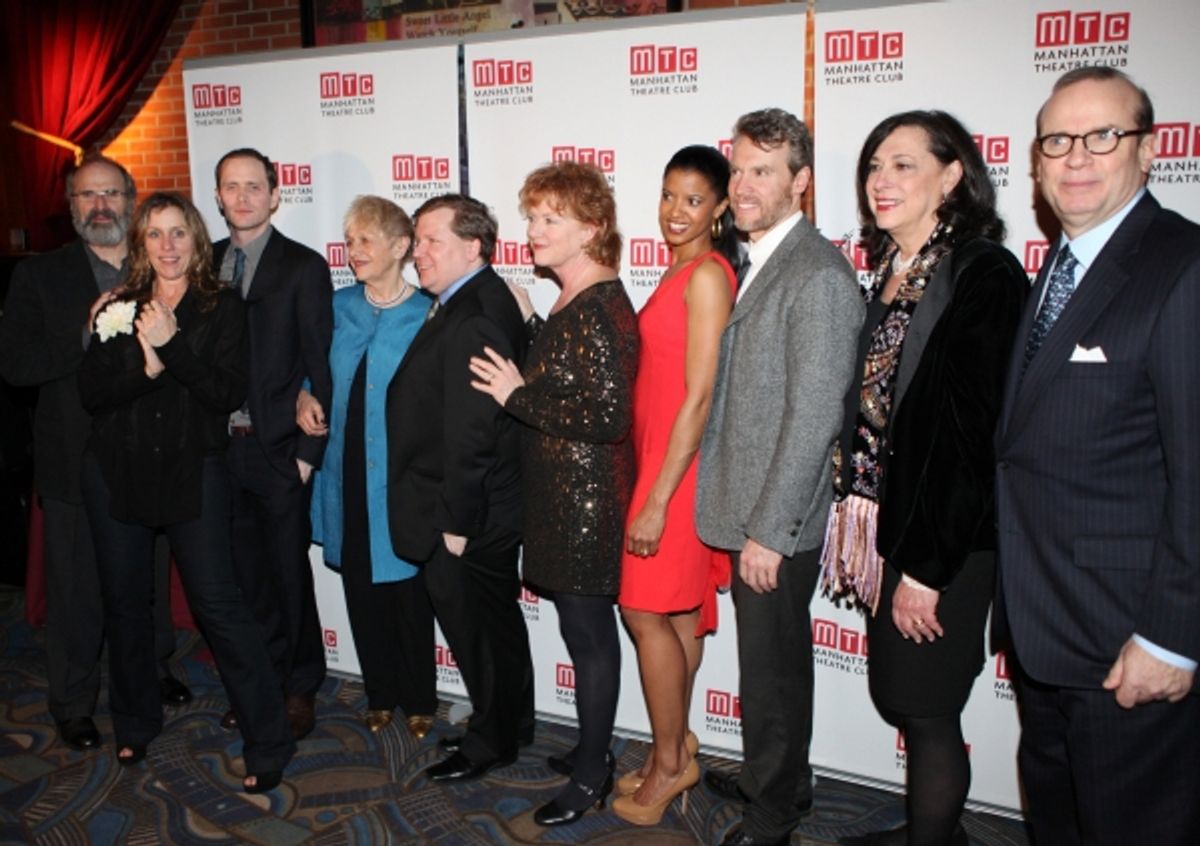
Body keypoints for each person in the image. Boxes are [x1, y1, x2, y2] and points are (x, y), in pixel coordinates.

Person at [996, 66, 1200, 846]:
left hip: (1129, 643)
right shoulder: (1057, 264)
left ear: (1147, 152)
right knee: (1061, 823)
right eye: (1057, 141)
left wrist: (1172, 638)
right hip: (1046, 627)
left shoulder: (1180, 267)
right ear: (1037, 163)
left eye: (1102, 136)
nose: (1076, 157)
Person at [818, 112, 1027, 846]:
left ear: (953, 175)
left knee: (928, 709)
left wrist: (928, 571)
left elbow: (972, 436)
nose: (881, 179)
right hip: (897, 527)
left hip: (947, 542)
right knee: (907, 698)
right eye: (875, 164)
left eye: (904, 164)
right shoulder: (897, 274)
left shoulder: (980, 271)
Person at [77, 192, 293, 792]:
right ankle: (134, 721)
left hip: (192, 468)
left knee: (219, 604)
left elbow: (225, 393)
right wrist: (142, 370)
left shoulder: (222, 305)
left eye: (179, 233)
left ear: (198, 241)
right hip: (116, 469)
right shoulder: (116, 305)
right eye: (155, 234)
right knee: (125, 603)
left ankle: (268, 739)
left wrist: (170, 348)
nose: (168, 246)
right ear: (141, 243)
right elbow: (91, 395)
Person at [694, 108, 864, 846]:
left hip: (776, 522)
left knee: (776, 678)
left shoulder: (817, 276)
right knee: (763, 670)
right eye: (737, 169)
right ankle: (774, 778)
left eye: (763, 170)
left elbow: (813, 417)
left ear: (800, 181)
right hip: (749, 507)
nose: (743, 184)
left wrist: (769, 531)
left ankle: (774, 813)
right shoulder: (760, 257)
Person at [0, 155, 191, 753]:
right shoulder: (39, 277)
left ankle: (153, 670)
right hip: (73, 459)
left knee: (150, 580)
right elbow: (17, 366)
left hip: (151, 456)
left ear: (131, 200)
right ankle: (73, 701)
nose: (100, 205)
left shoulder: (158, 264)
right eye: (88, 196)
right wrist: (83, 336)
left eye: (111, 193)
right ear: (72, 205)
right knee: (78, 589)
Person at [470, 161, 638, 826]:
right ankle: (591, 749)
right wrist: (534, 325)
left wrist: (518, 394)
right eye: (533, 216)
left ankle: (593, 773)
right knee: (581, 635)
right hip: (562, 497)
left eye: (550, 219)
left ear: (591, 229)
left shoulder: (597, 306)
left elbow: (606, 417)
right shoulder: (575, 300)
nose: (533, 230)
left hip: (584, 502)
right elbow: (570, 376)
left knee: (591, 638)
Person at [387, 194, 534, 782]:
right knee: (494, 627)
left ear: (473, 246)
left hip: (467, 514)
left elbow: (473, 431)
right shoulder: (466, 299)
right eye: (417, 240)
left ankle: (491, 742)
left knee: (479, 632)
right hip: (475, 507)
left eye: (430, 241)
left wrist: (456, 523)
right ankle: (508, 724)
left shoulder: (473, 312)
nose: (416, 252)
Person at [611, 145, 737, 826]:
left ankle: (669, 763)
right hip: (661, 461)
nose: (676, 211)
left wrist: (658, 498)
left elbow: (701, 395)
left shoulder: (707, 277)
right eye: (668, 195)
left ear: (720, 207)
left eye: (693, 199)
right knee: (679, 613)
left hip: (677, 472)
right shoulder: (678, 270)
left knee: (642, 611)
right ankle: (677, 741)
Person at [297, 197, 436, 738]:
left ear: (400, 248)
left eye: (366, 241)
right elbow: (312, 370)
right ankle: (380, 692)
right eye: (350, 241)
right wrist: (301, 399)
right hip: (343, 468)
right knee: (360, 583)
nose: (353, 252)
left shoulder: (427, 311)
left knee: (408, 588)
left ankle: (421, 697)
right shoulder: (338, 306)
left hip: (400, 476)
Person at [212, 148, 333, 739]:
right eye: (231, 187)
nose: (242, 196)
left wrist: (309, 456)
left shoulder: (303, 266)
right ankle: (260, 684)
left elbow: (322, 364)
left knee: (288, 575)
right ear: (218, 198)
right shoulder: (203, 263)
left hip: (279, 450)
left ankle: (299, 685)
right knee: (241, 579)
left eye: (253, 186)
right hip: (217, 452)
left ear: (275, 194)